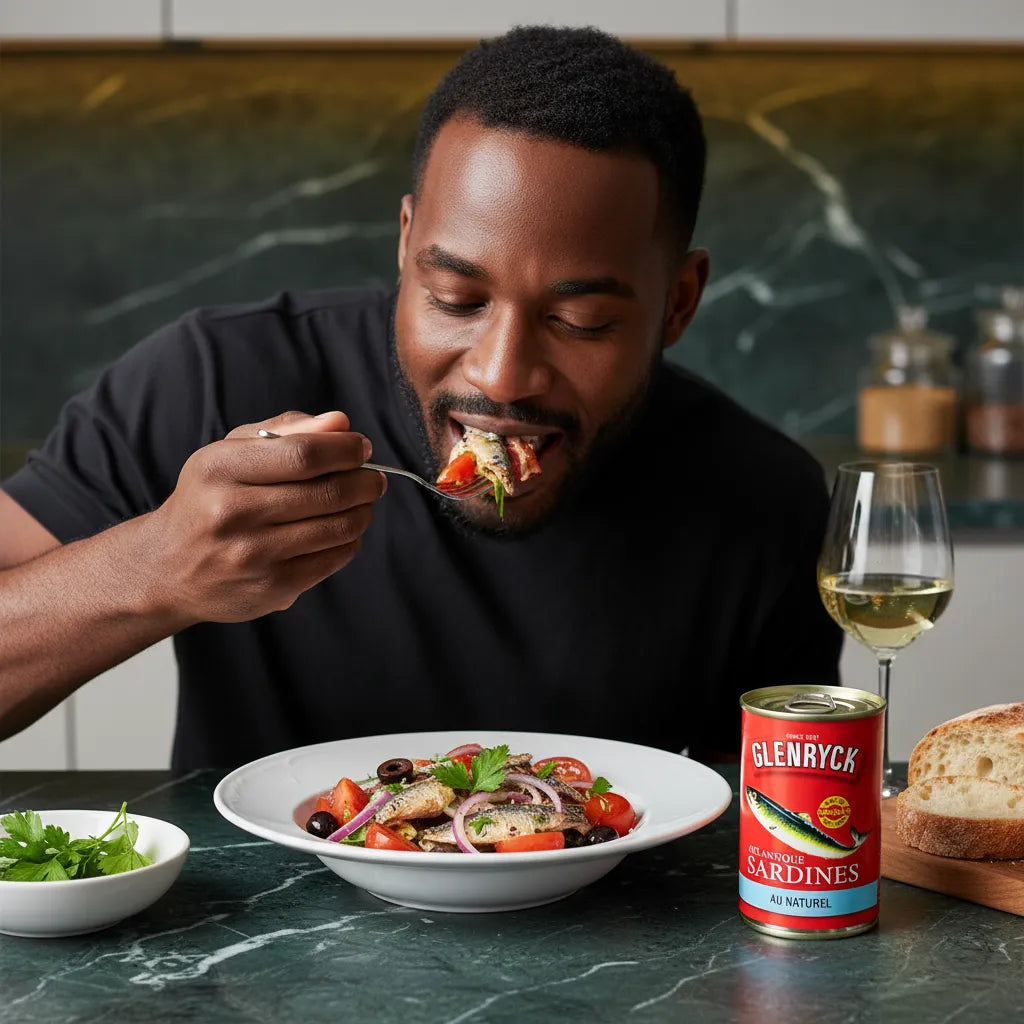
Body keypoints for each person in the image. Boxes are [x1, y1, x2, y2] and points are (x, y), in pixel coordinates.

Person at [0, 26, 841, 771]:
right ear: (406, 247)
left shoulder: (765, 501)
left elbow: (780, 825)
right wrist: (155, 569)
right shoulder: (214, 379)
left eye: (580, 320)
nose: (502, 375)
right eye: (457, 299)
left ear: (680, 303)